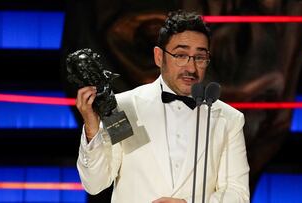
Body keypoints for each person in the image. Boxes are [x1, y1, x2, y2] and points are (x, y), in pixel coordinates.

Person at [76, 10, 250, 203]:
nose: (191, 68)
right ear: (159, 57)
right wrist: (92, 130)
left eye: (199, 58)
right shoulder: (124, 107)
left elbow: (237, 193)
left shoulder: (228, 119)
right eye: (181, 55)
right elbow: (95, 183)